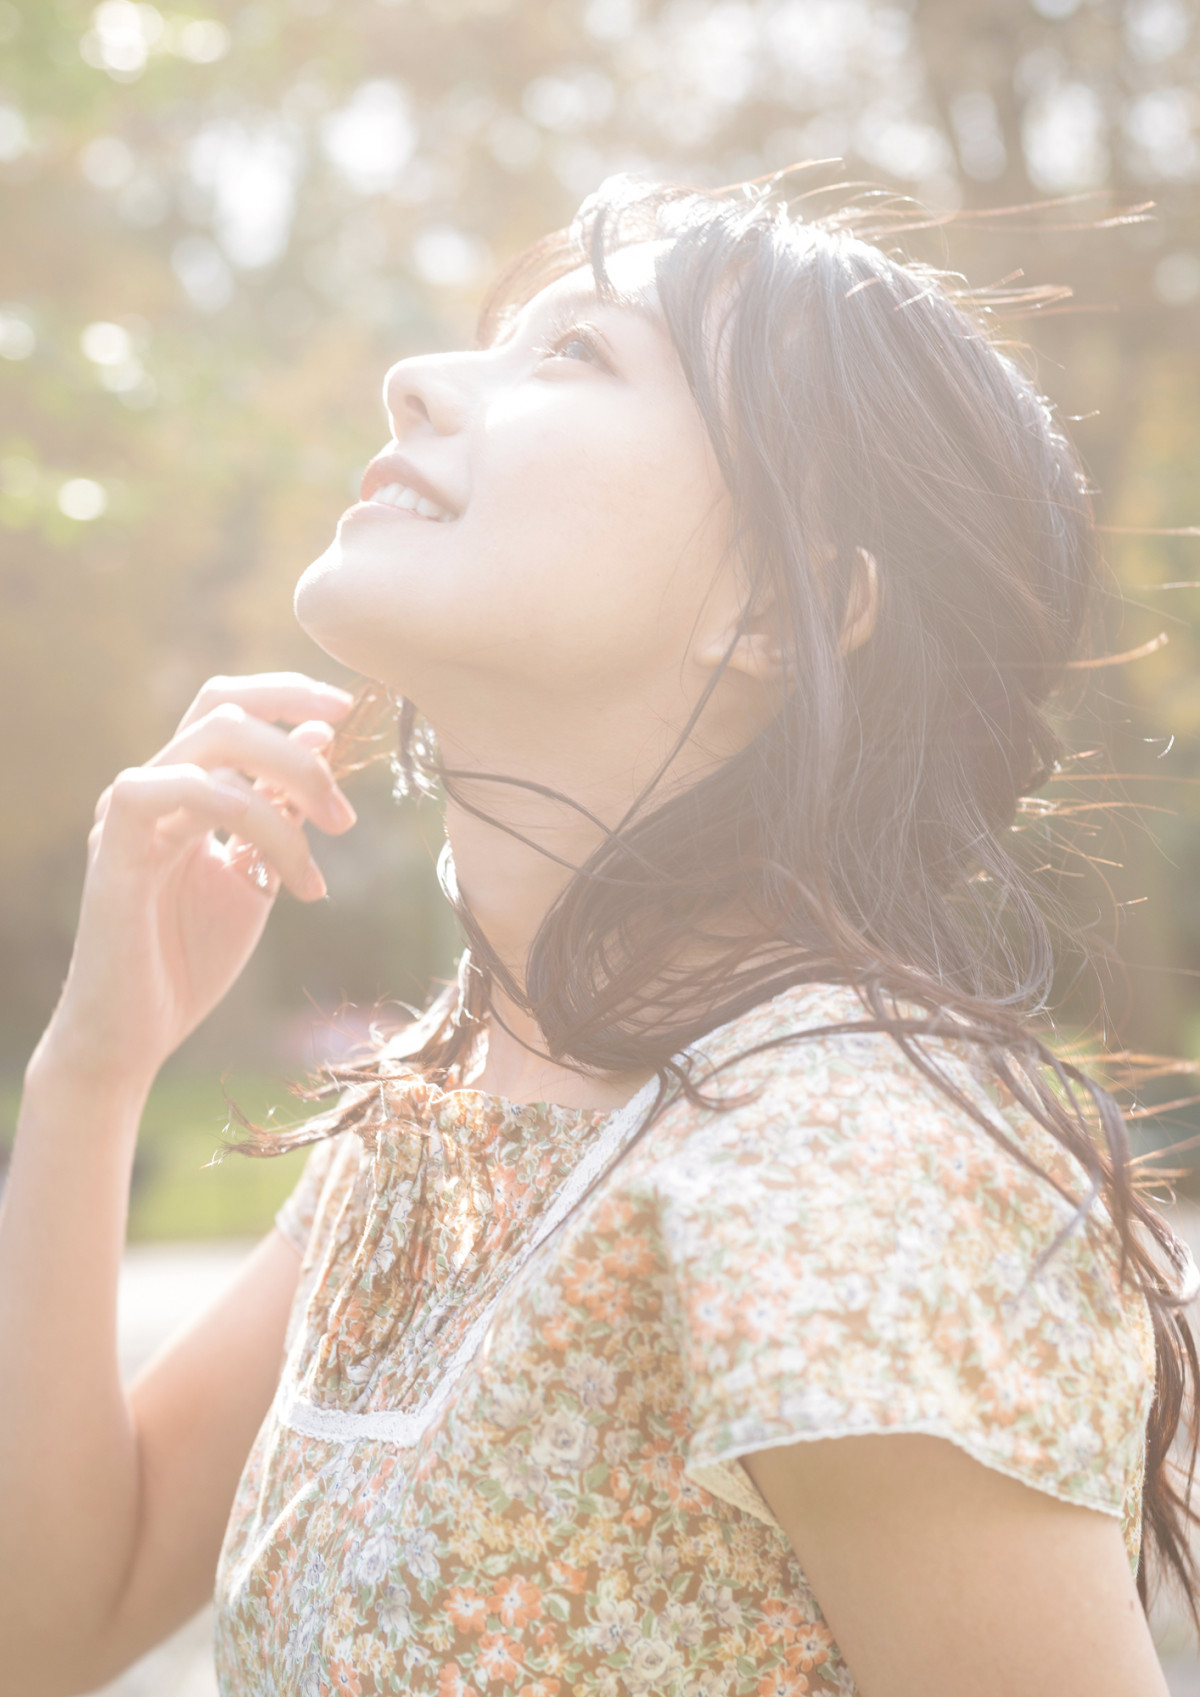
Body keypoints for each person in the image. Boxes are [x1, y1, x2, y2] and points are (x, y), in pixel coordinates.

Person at [1, 172, 1196, 1697]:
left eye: (579, 354)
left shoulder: (834, 1149)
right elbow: (45, 1626)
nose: (417, 377)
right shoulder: (436, 1128)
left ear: (784, 607)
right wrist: (94, 1068)